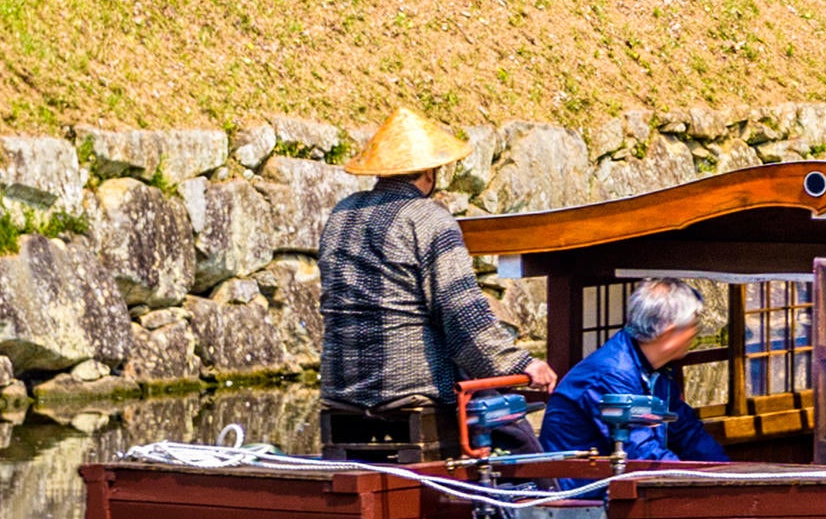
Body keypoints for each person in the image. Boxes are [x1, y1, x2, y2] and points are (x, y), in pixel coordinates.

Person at [311, 108, 528, 461]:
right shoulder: (428, 218)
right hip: (409, 388)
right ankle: (542, 498)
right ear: (430, 172)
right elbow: (462, 315)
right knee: (511, 423)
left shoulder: (341, 215)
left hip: (340, 387)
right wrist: (519, 364)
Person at [545, 280, 732, 463]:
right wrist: (693, 480)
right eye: (693, 325)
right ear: (670, 332)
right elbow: (640, 453)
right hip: (581, 488)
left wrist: (727, 472)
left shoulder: (658, 370)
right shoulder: (611, 373)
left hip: (616, 484)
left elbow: (686, 432)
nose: (694, 333)